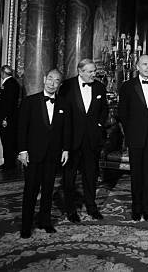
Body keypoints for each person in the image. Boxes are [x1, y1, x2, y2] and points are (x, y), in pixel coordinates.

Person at [18, 69, 69, 238]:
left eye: (56, 81)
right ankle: (26, 226)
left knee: (48, 190)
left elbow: (66, 130)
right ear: (44, 79)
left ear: (60, 84)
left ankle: (45, 221)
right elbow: (22, 129)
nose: (52, 83)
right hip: (33, 154)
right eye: (50, 79)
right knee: (31, 190)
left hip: (53, 155)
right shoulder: (30, 101)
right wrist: (23, 150)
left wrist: (66, 149)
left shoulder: (63, 103)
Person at [118, 55, 148, 221]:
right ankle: (136, 207)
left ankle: (147, 208)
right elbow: (122, 113)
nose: (147, 67)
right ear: (137, 66)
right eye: (144, 64)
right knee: (136, 174)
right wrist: (130, 132)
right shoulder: (127, 86)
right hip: (135, 137)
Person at [60, 59, 108, 222]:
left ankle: (91, 207)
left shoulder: (100, 87)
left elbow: (104, 110)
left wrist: (99, 126)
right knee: (69, 178)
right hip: (72, 141)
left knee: (91, 176)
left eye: (94, 71)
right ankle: (70, 210)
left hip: (92, 140)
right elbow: (62, 112)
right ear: (80, 71)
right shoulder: (66, 86)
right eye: (90, 71)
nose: (94, 74)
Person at [0, 65, 20, 170]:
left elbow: (9, 104)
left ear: (2, 73)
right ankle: (9, 163)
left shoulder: (10, 84)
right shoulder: (11, 83)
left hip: (7, 118)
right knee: (7, 141)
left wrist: (5, 118)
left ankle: (9, 164)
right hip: (7, 117)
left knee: (7, 141)